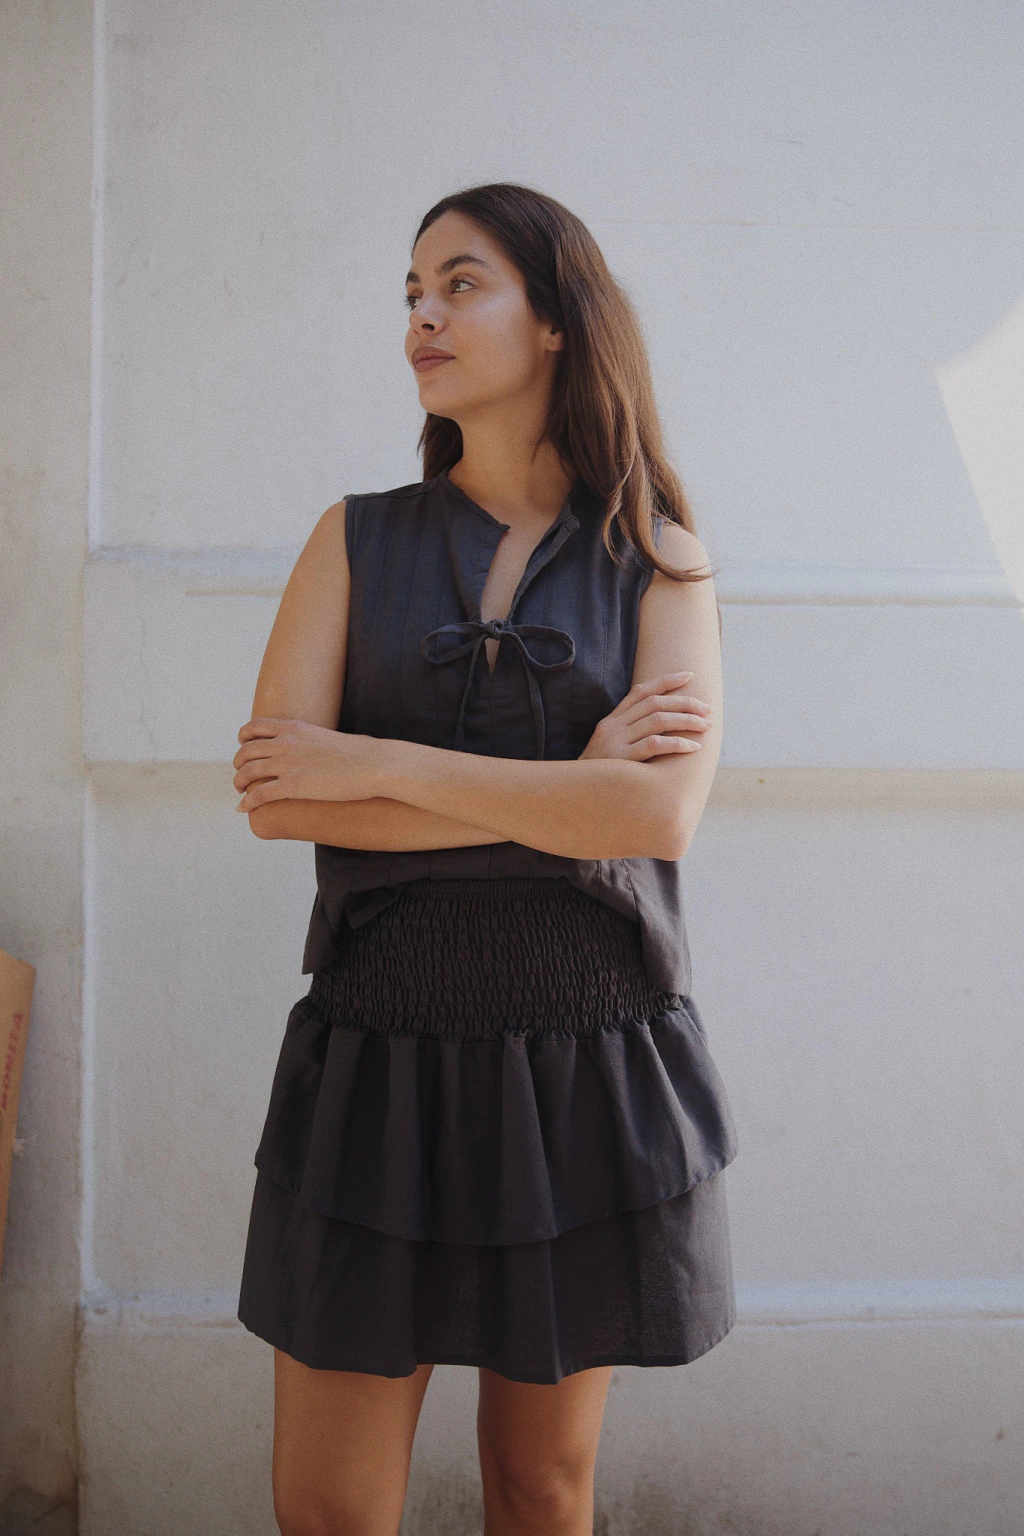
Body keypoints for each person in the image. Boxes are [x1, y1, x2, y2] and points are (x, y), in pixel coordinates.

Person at [231, 182, 738, 1536]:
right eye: (412, 292)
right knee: (327, 1509)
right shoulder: (354, 537)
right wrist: (570, 794)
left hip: (582, 1063)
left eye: (460, 284)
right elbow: (279, 797)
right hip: (376, 1058)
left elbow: (655, 820)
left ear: (558, 318)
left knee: (540, 1488)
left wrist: (381, 767)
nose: (423, 317)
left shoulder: (661, 561)